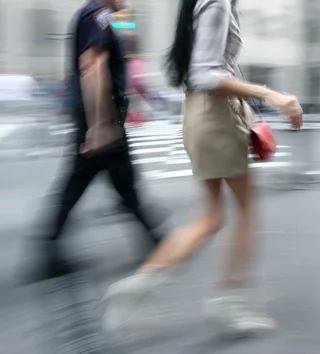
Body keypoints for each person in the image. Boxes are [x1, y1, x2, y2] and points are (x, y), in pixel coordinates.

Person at [103, 0, 302, 335]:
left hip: (203, 114)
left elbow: (205, 70)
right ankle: (228, 302)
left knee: (210, 217)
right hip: (217, 116)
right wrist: (271, 95)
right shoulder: (218, 2)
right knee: (245, 212)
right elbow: (206, 74)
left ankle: (137, 287)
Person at [19, 0, 166, 283]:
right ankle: (155, 239)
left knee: (99, 179)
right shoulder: (98, 16)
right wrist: (100, 125)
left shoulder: (99, 16)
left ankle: (50, 245)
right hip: (100, 116)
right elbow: (92, 67)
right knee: (102, 179)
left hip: (99, 116)